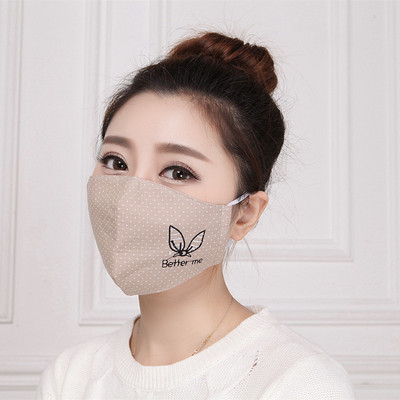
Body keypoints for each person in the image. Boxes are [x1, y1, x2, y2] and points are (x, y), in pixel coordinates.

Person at [38, 32, 355, 399]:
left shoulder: (299, 384)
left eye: (177, 172)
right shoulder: (71, 376)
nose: (129, 197)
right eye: (116, 162)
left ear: (244, 214)